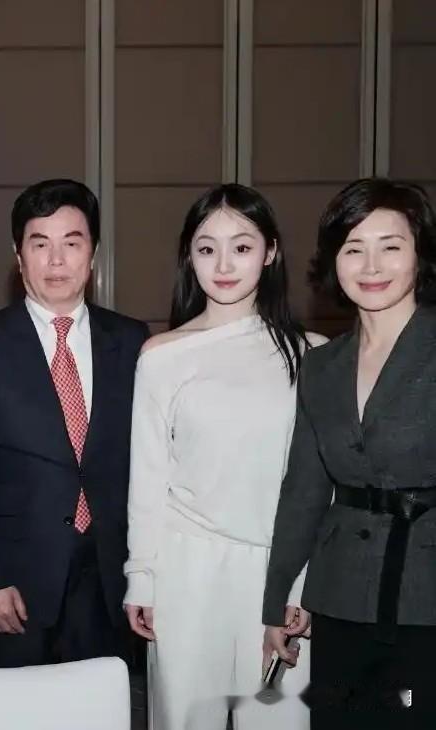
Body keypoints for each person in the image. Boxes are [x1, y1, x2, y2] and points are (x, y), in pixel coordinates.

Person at [125, 184, 322, 729]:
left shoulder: (313, 356)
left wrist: (303, 587)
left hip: (280, 573)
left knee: (280, 720)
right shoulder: (161, 356)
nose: (224, 264)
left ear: (271, 251)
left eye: (242, 246)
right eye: (207, 248)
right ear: (189, 257)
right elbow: (148, 480)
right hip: (186, 572)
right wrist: (142, 579)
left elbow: (319, 490)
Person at [0, 178, 149, 668]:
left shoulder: (132, 340)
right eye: (40, 244)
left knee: (104, 704)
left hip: (111, 580)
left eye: (71, 243)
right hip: (17, 585)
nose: (56, 261)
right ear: (19, 256)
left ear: (93, 254)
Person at [263, 178, 436, 729]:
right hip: (340, 598)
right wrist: (276, 601)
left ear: (420, 255)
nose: (372, 265)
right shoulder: (322, 364)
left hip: (426, 598)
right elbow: (304, 491)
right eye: (353, 248)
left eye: (391, 246)